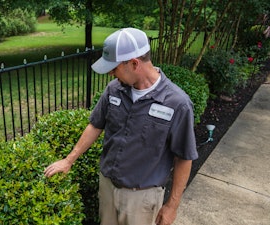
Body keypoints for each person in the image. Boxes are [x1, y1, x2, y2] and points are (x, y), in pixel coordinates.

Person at [44, 27, 198, 225]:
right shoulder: (114, 90)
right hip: (108, 188)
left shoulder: (177, 104)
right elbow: (95, 125)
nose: (110, 74)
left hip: (141, 200)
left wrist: (172, 206)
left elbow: (184, 157)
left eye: (114, 68)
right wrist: (69, 160)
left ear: (134, 64)